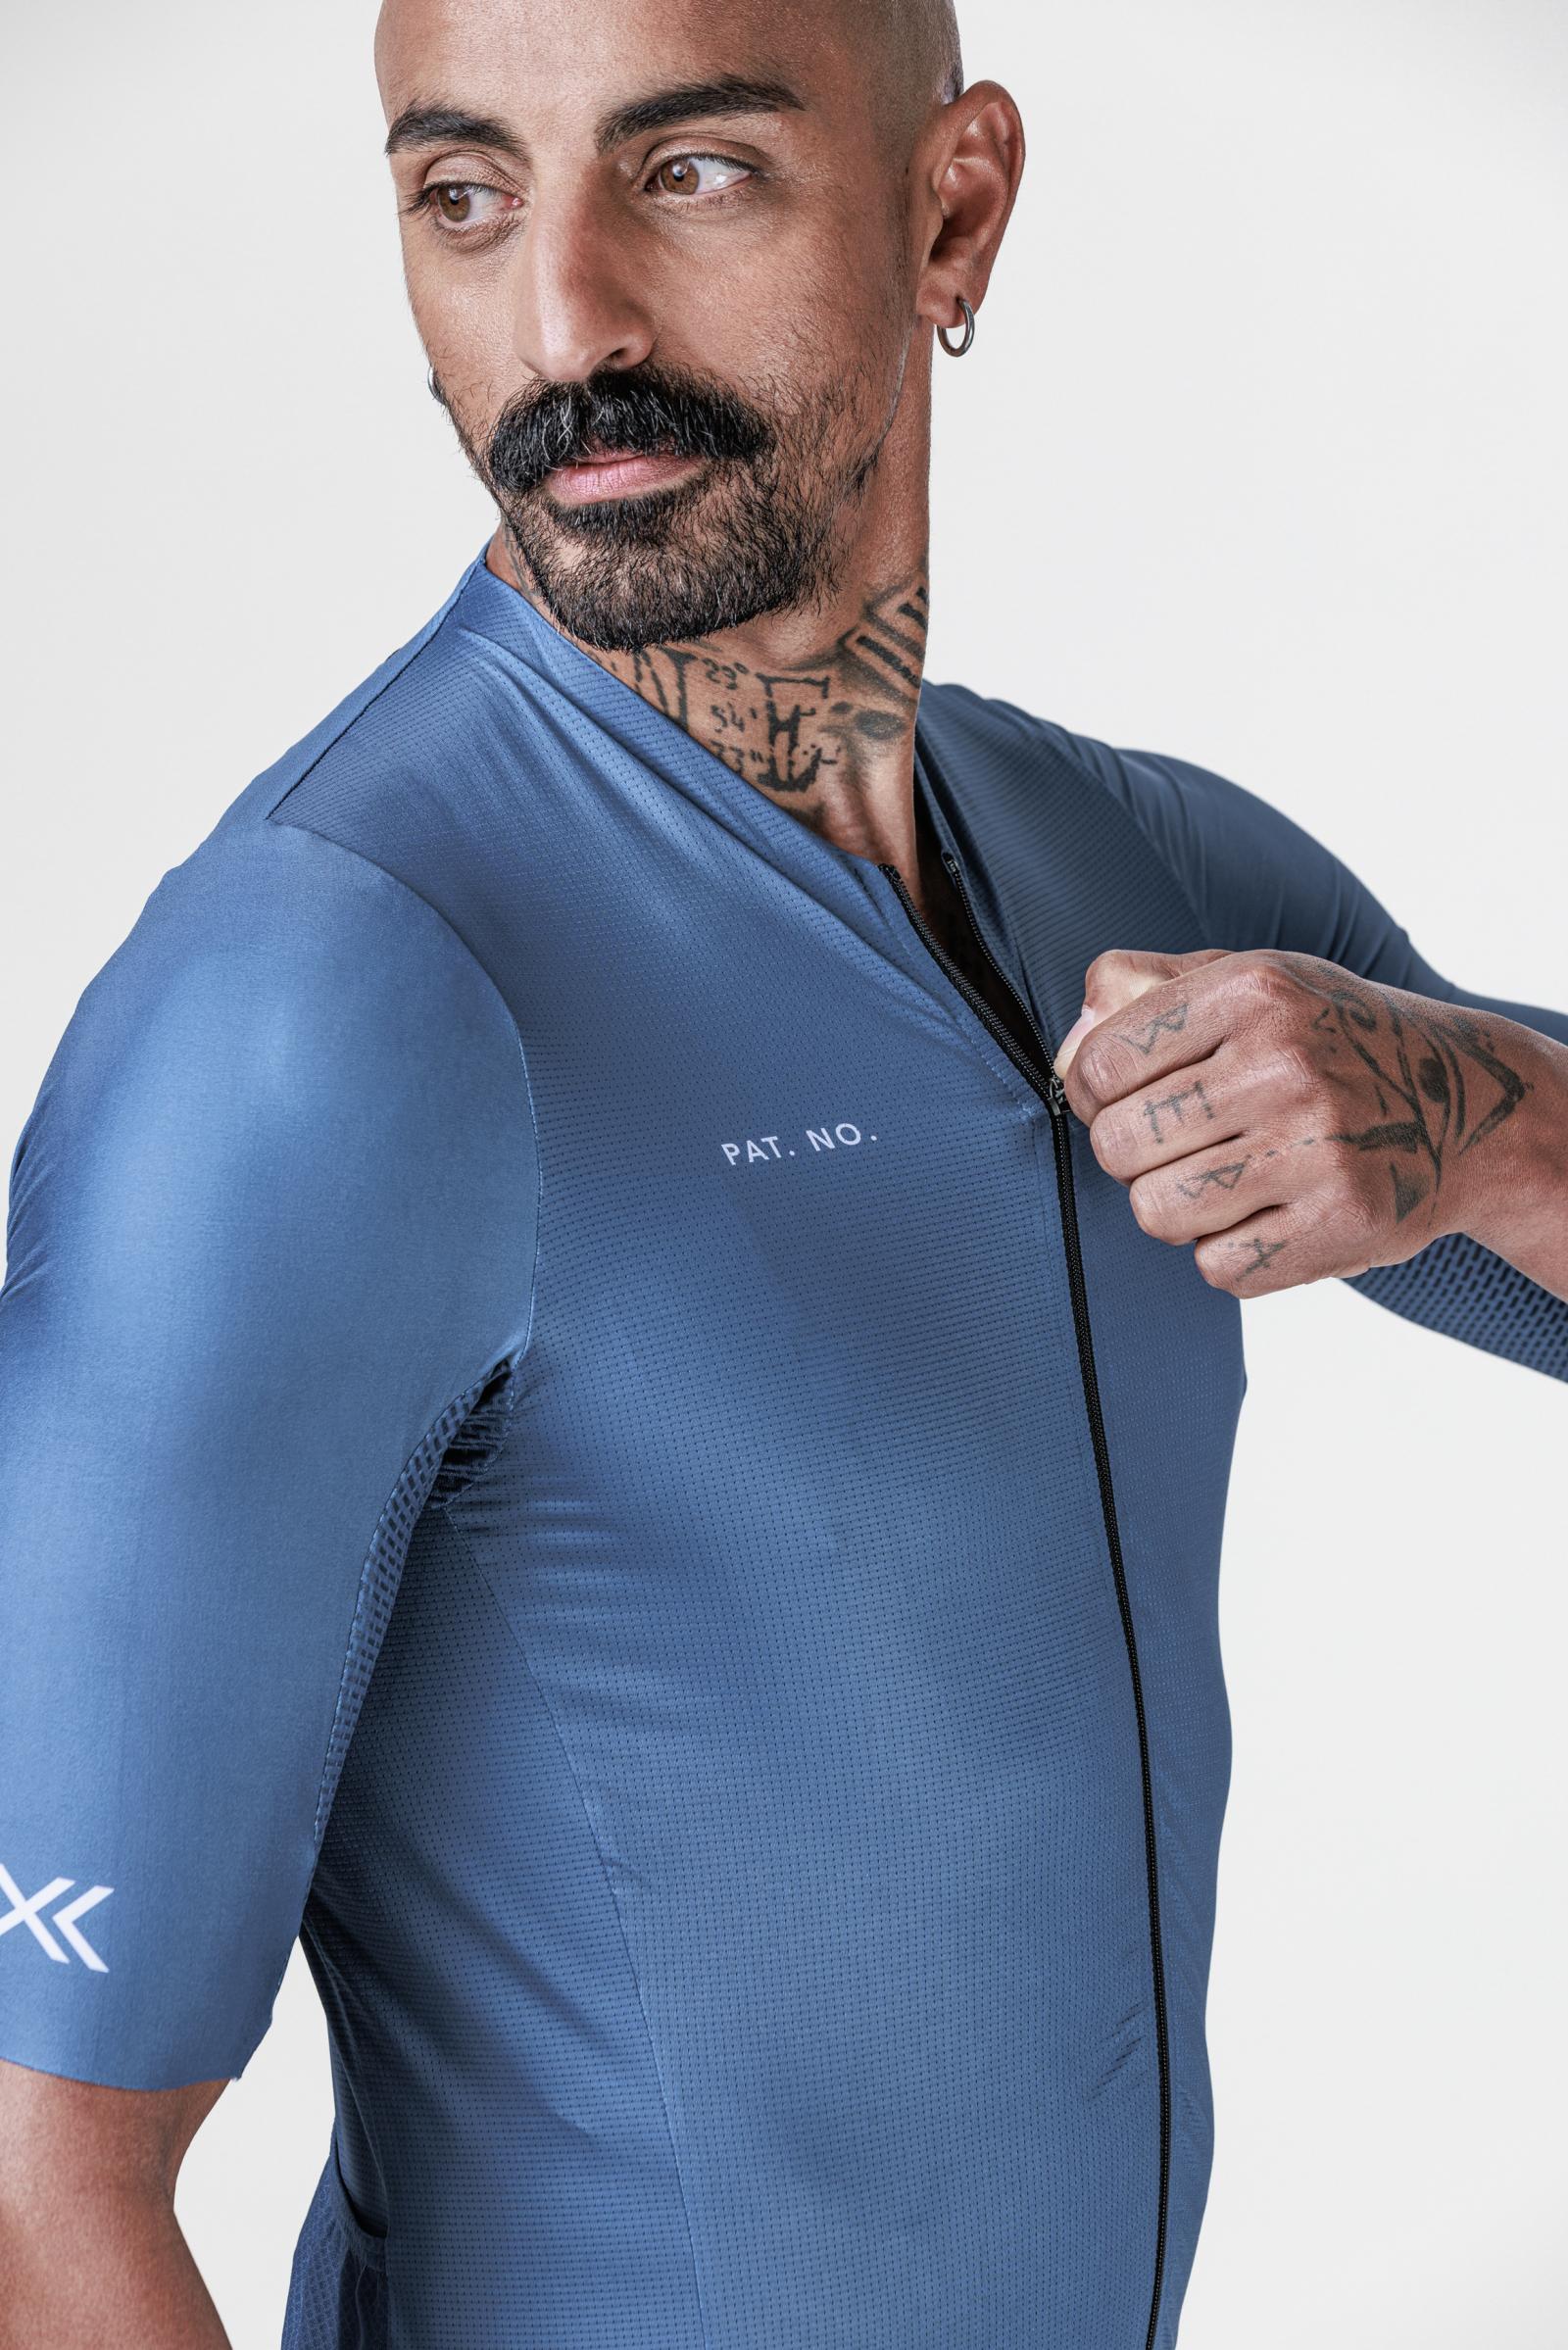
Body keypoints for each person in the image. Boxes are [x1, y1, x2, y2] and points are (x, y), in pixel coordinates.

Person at [1, 0, 1563, 2342]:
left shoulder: (1112, 859)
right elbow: (34, 2184)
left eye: (690, 171)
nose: (567, 321)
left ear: (953, 208)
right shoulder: (318, 1002)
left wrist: (1485, 1112)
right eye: (464, 197)